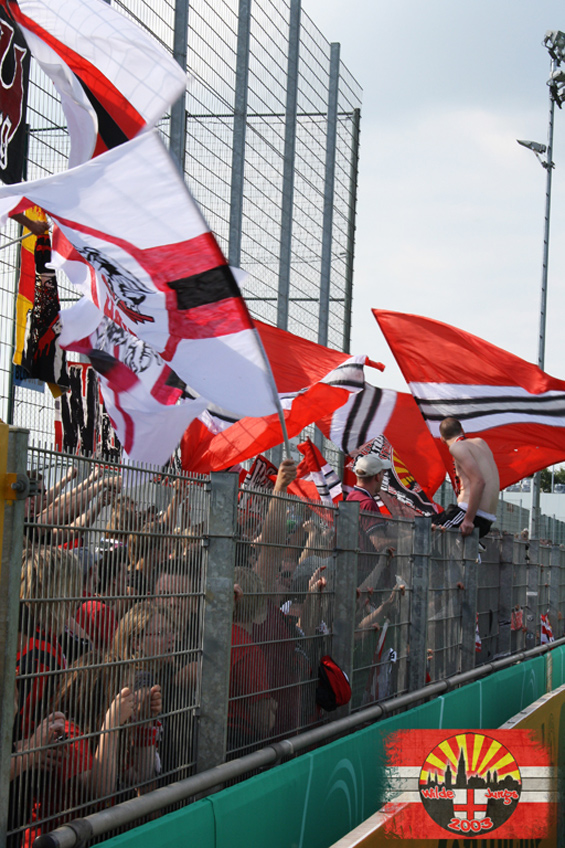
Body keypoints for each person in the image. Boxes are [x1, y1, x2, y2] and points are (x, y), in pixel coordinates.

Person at [433, 417, 500, 538]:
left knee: (428, 535)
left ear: (442, 439)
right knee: (434, 523)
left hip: (471, 514)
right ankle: (474, 550)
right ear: (462, 430)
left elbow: (479, 481)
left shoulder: (457, 447)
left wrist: (468, 519)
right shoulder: (480, 442)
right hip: (487, 517)